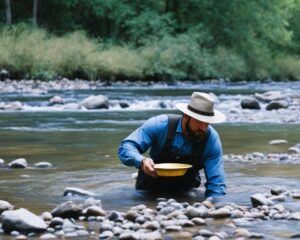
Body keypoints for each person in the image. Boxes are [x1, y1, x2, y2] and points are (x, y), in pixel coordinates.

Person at [118, 92, 226, 198]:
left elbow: (216, 183)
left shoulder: (211, 139)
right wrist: (141, 161)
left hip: (186, 191)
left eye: (207, 123)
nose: (203, 128)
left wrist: (215, 206)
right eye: (199, 121)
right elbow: (126, 147)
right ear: (186, 116)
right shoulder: (159, 125)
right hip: (149, 188)